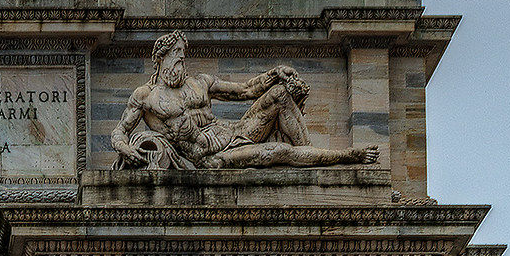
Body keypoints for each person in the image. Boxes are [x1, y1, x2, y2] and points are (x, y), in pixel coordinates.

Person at [111, 32, 377, 173]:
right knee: (277, 152)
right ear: (162, 59)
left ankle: (310, 162)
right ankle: (347, 156)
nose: (182, 62)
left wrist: (275, 73)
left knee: (280, 94)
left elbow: (245, 90)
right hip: (212, 157)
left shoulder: (200, 82)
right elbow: (120, 131)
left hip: (235, 132)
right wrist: (125, 148)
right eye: (177, 57)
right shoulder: (145, 96)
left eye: (183, 56)